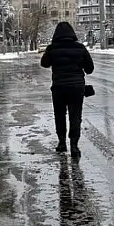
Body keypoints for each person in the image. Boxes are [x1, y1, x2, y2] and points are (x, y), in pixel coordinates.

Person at [40, 21, 94, 159]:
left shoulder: (52, 48)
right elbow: (90, 69)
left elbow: (44, 64)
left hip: (59, 88)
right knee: (75, 116)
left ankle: (62, 142)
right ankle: (74, 146)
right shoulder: (80, 48)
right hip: (76, 88)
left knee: (60, 115)